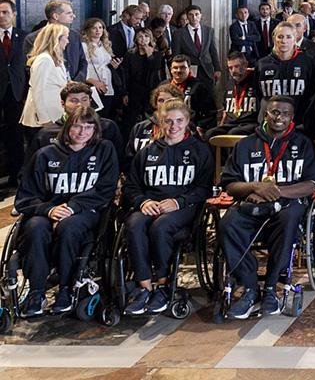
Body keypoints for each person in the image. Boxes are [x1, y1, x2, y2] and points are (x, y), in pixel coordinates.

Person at [219, 95, 315, 319]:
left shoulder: (303, 144)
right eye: (275, 112)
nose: (279, 118)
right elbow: (228, 183)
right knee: (227, 223)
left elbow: (312, 183)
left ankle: (271, 289)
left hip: (286, 207)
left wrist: (276, 192)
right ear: (265, 114)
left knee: (289, 219)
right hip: (251, 205)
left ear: (292, 117)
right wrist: (255, 188)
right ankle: (249, 287)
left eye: (285, 114)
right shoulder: (245, 145)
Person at [15, 106, 119, 316]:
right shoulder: (44, 155)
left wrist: (72, 207)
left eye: (88, 127)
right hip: (49, 211)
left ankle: (65, 287)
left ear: (95, 129)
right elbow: (24, 197)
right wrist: (49, 209)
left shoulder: (104, 149)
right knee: (35, 227)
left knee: (69, 227)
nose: (82, 132)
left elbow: (105, 190)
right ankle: (37, 291)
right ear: (67, 127)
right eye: (77, 126)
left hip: (86, 211)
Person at [121, 98, 213, 315]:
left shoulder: (199, 150)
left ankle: (163, 284)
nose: (174, 126)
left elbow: (204, 189)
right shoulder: (148, 151)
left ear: (187, 121)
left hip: (184, 205)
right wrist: (143, 202)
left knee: (160, 227)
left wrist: (178, 202)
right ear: (160, 123)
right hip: (151, 202)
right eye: (168, 121)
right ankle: (144, 287)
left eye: (179, 121)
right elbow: (131, 187)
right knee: (133, 224)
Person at [256, 23, 315, 136]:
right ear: (274, 39)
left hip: (299, 126)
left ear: (295, 39)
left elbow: (312, 95)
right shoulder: (262, 64)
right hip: (269, 126)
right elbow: (258, 95)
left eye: (288, 37)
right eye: (280, 37)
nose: (284, 41)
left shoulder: (307, 62)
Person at [20, 23, 72, 157]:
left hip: (53, 116)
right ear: (56, 39)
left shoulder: (55, 59)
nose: (68, 41)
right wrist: (45, 120)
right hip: (41, 121)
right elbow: (38, 91)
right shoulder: (44, 59)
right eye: (66, 37)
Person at [0, 0, 29, 197]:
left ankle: (14, 175)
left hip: (17, 94)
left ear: (14, 14)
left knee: (15, 136)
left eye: (5, 12)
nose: (1, 16)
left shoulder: (24, 37)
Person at [25, 0, 86, 82]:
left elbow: (82, 61)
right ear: (55, 16)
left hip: (74, 89)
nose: (73, 16)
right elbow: (30, 67)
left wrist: (76, 83)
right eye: (69, 13)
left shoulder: (75, 35)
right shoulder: (33, 38)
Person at [118, 28, 165, 132]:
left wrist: (149, 56)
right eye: (140, 36)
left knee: (149, 119)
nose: (143, 39)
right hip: (133, 91)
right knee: (130, 120)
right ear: (136, 39)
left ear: (150, 39)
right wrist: (124, 93)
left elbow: (155, 71)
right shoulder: (130, 55)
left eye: (146, 37)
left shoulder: (157, 54)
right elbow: (125, 75)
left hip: (151, 90)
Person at [210, 52, 260, 139]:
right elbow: (225, 111)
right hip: (231, 123)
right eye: (230, 68)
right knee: (211, 134)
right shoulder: (230, 83)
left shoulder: (256, 80)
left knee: (233, 133)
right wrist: (221, 125)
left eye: (237, 66)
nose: (233, 71)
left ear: (245, 65)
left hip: (250, 122)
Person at [166, 54, 218, 132]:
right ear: (171, 70)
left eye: (182, 67)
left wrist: (200, 127)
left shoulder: (198, 87)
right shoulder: (164, 86)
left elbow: (211, 112)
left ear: (189, 69)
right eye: (175, 68)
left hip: (190, 128)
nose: (178, 70)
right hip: (167, 126)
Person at [172, 5, 222, 83]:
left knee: (209, 93)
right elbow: (176, 55)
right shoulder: (178, 33)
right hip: (189, 70)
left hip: (207, 70)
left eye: (196, 14)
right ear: (187, 17)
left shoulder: (209, 31)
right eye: (191, 15)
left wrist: (217, 69)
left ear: (200, 15)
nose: (194, 17)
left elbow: (213, 51)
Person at [81, 17, 117, 116]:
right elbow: (82, 67)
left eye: (100, 27)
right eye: (94, 28)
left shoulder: (105, 45)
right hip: (92, 84)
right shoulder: (84, 46)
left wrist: (115, 65)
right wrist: (92, 81)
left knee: (106, 114)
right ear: (88, 30)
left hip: (107, 83)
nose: (98, 30)